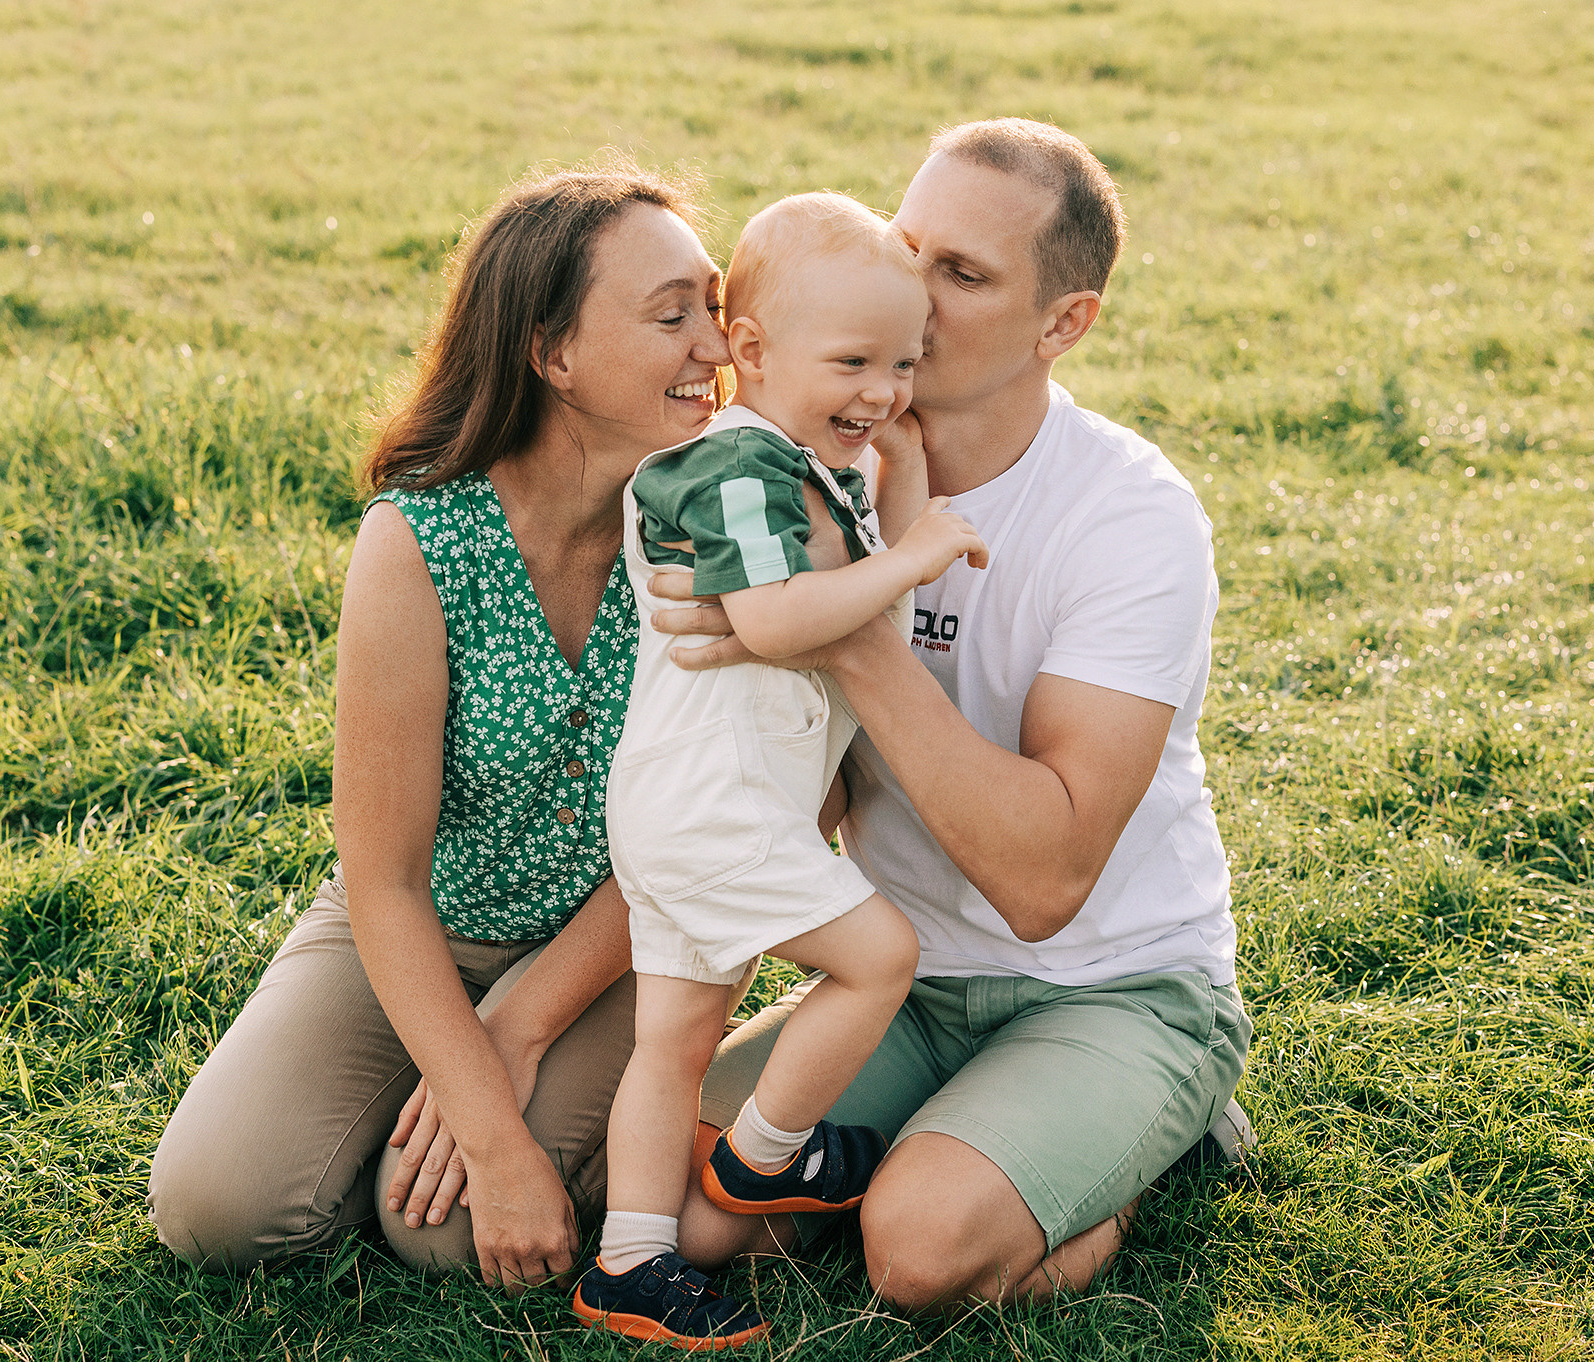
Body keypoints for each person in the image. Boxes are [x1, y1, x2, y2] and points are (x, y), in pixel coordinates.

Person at [660, 119, 1254, 1311]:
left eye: (964, 275)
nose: (913, 298)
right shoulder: (808, 472)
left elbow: (1043, 882)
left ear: (1061, 323)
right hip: (905, 978)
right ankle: (977, 1131)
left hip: (1110, 985)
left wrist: (840, 624)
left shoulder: (1129, 517)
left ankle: (1147, 1135)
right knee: (683, 1199)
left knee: (916, 1252)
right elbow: (796, 793)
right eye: (906, 246)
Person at [145, 161, 743, 1292]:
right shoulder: (420, 539)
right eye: (673, 317)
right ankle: (407, 1118)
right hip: (427, 923)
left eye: (712, 308)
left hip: (631, 936)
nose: (715, 347)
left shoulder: (718, 529)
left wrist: (518, 1031)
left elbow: (716, 829)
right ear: (551, 353)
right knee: (220, 1206)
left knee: (445, 1237)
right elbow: (384, 881)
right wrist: (485, 1123)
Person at [573, 193, 988, 1350]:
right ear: (750, 351)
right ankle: (766, 1155)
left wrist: (902, 470)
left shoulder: (800, 461)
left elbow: (866, 593)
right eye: (852, 362)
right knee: (878, 957)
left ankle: (629, 1264)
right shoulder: (735, 466)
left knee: (674, 1041)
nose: (883, 390)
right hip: (715, 805)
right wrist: (913, 553)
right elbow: (773, 618)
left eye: (902, 363)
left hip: (687, 803)